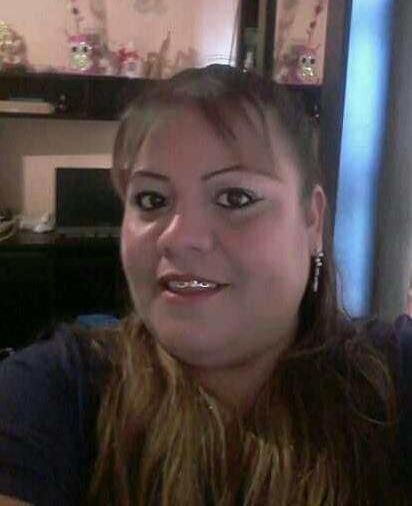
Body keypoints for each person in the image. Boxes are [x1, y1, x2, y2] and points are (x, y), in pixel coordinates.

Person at [1, 64, 412, 506]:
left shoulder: (393, 381)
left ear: (312, 219)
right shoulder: (55, 392)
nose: (178, 237)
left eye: (235, 198)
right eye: (152, 200)